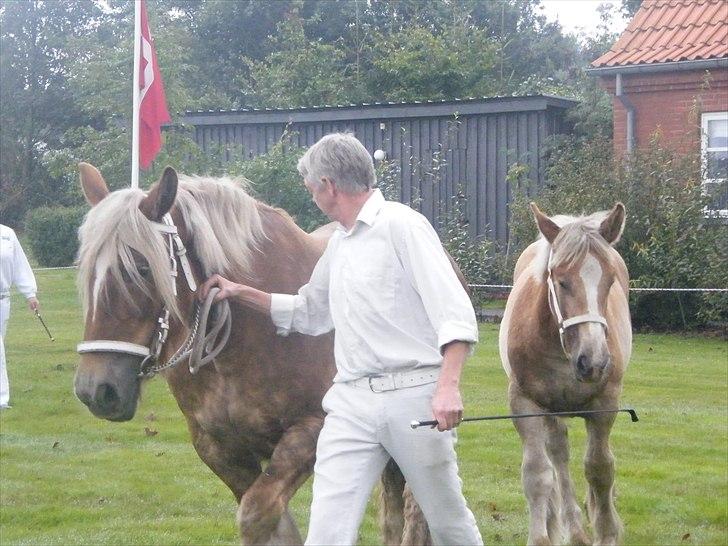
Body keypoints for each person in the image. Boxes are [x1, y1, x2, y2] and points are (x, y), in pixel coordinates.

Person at [200, 133, 482, 545]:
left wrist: (448, 389)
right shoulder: (341, 243)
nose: (311, 195)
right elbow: (309, 311)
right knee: (327, 530)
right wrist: (243, 293)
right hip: (350, 403)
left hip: (413, 398)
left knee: (449, 523)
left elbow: (455, 316)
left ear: (329, 186)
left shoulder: (404, 227)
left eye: (311, 187)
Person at [0, 224, 39, 409]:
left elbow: (19, 265)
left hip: (3, 300)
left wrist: (30, 294)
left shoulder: (7, 234)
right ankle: (2, 398)